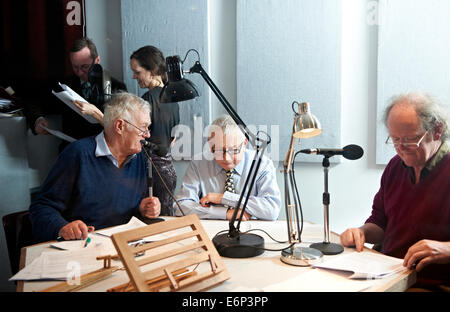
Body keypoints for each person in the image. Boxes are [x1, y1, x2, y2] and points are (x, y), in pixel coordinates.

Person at [340, 92, 450, 289]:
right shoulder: (395, 167)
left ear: (437, 130)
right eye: (395, 139)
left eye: (410, 139)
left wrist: (445, 249)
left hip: (431, 282)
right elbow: (380, 224)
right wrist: (361, 232)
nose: (401, 148)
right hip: (388, 274)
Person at [29, 92, 161, 243]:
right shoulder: (77, 154)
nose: (148, 135)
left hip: (125, 245)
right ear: (119, 126)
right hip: (84, 248)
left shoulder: (141, 158)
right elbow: (41, 208)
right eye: (143, 128)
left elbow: (122, 205)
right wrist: (62, 227)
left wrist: (142, 207)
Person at [76, 45, 180, 216]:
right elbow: (172, 139)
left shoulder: (147, 101)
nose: (133, 76)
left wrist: (94, 112)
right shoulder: (173, 98)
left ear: (152, 70)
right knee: (165, 218)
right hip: (169, 169)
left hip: (152, 170)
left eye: (137, 72)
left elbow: (124, 130)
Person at [27, 37, 127, 151]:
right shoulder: (64, 85)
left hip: (104, 154)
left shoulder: (116, 87)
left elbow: (123, 127)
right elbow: (34, 100)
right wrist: (38, 119)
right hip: (72, 151)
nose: (79, 72)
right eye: (75, 67)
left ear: (97, 61)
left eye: (85, 66)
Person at [175, 115, 281, 221]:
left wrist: (224, 198)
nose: (227, 158)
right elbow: (181, 206)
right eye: (219, 150)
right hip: (210, 230)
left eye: (234, 150)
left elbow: (272, 209)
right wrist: (225, 213)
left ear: (244, 144)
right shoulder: (199, 163)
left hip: (252, 230)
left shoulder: (261, 163)